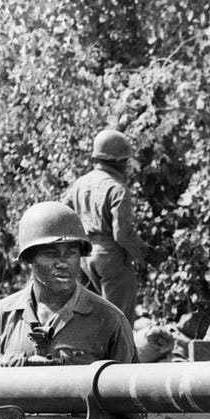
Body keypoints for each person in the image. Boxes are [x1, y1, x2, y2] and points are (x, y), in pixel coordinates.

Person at [0, 202, 136, 367]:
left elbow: (126, 388)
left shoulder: (109, 319)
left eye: (71, 253)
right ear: (29, 258)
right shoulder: (3, 316)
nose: (63, 263)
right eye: (51, 253)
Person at [62, 128, 145, 321]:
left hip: (84, 257)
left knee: (87, 318)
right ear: (119, 161)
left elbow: (63, 215)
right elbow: (122, 234)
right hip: (111, 257)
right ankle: (118, 352)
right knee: (119, 320)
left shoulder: (80, 184)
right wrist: (145, 253)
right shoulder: (117, 189)